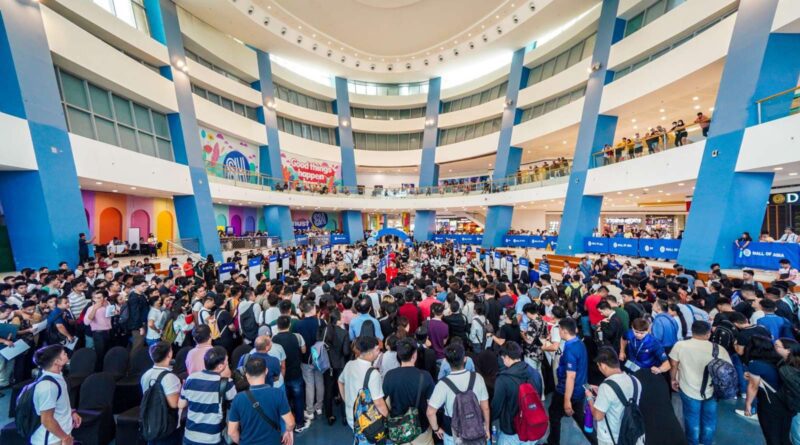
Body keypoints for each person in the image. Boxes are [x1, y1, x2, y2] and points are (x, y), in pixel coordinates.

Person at [669, 321, 732, 445]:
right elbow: (728, 370)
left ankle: (693, 442)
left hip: (688, 388)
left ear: (692, 331)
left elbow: (674, 365)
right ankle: (706, 442)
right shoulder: (718, 348)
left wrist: (673, 379)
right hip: (712, 390)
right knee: (709, 419)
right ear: (708, 334)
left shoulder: (680, 345)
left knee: (691, 419)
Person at [426, 343, 490, 445]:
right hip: (476, 429)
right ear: (465, 359)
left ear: (447, 361)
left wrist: (436, 429)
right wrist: (486, 428)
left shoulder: (443, 384)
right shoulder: (478, 378)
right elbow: (485, 408)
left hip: (453, 432)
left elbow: (430, 412)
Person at [547, 318, 595, 445]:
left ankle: (553, 442)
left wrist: (567, 400)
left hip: (566, 391)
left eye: (559, 330)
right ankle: (597, 441)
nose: (558, 333)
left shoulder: (570, 350)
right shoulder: (579, 343)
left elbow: (570, 377)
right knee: (581, 419)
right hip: (580, 389)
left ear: (563, 331)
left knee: (554, 415)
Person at [227, 356, 295, 445]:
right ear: (266, 371)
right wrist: (288, 431)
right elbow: (290, 423)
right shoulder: (277, 394)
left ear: (246, 374)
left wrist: (242, 442)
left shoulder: (238, 398)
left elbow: (231, 432)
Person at [383, 337, 435, 445]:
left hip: (398, 428)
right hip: (421, 427)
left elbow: (385, 403)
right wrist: (436, 427)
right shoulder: (425, 376)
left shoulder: (389, 375)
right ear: (414, 355)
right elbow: (431, 405)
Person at [179, 346, 236, 445]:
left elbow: (181, 404)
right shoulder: (227, 383)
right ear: (220, 366)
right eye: (226, 361)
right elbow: (234, 406)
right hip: (212, 439)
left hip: (190, 436)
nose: (227, 364)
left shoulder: (191, 378)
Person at [742, 335, 792, 445]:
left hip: (769, 404)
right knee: (784, 437)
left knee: (772, 436)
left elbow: (753, 387)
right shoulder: (779, 361)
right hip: (786, 402)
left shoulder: (755, 364)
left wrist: (748, 404)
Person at [338, 336, 389, 444]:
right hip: (367, 421)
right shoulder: (373, 373)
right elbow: (379, 403)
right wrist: (388, 419)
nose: (379, 352)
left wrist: (346, 400)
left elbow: (340, 381)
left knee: (358, 437)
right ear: (369, 353)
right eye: (377, 350)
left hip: (351, 416)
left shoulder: (349, 364)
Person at [586, 347, 642, 445]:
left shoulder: (606, 386)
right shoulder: (635, 381)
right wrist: (601, 394)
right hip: (633, 436)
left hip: (611, 439)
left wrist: (590, 398)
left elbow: (598, 416)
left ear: (603, 365)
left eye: (598, 366)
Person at [491, 341, 543, 445]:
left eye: (502, 358)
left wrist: (487, 419)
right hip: (531, 425)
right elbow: (539, 396)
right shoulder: (535, 373)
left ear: (506, 357)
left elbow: (496, 407)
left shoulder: (503, 379)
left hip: (511, 429)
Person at [32, 344, 81, 445]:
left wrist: (71, 412)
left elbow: (59, 402)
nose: (66, 354)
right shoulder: (48, 386)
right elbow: (47, 420)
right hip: (52, 439)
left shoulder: (57, 376)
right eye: (63, 353)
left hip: (62, 433)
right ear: (57, 362)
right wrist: (65, 438)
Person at [273, 315, 309, 433]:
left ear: (277, 326)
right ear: (289, 325)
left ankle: (287, 424)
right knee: (299, 399)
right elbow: (303, 350)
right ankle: (299, 423)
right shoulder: (297, 336)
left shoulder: (273, 340)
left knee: (285, 400)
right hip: (296, 372)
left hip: (281, 375)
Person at [140, 341, 182, 445]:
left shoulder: (145, 375)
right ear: (169, 354)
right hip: (166, 425)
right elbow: (174, 404)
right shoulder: (170, 377)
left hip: (150, 422)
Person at [293, 300, 323, 421]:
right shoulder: (321, 322)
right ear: (314, 309)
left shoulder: (298, 325)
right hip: (320, 357)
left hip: (306, 358)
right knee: (320, 382)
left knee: (309, 384)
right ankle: (319, 407)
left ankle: (310, 410)